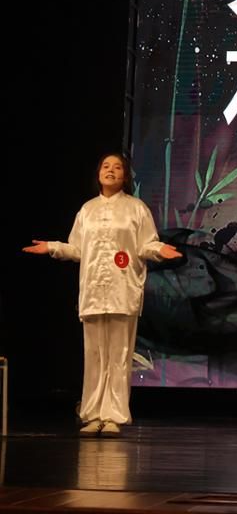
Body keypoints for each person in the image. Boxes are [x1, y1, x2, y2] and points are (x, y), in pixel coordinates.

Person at [23, 153, 180, 436]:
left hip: (123, 290)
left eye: (117, 167)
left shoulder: (136, 209)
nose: (111, 171)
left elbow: (146, 244)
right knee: (94, 355)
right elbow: (77, 249)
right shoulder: (87, 210)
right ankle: (93, 414)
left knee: (119, 355)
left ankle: (114, 417)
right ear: (98, 174)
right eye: (106, 166)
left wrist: (159, 249)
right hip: (93, 291)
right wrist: (52, 247)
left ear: (125, 176)